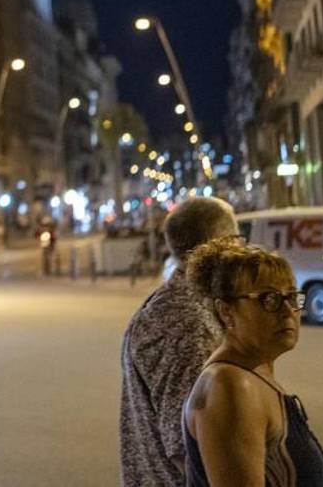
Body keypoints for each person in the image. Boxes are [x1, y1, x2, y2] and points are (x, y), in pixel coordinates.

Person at [183, 237, 323, 486]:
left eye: (292, 297)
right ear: (226, 311)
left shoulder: (252, 372)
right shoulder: (231, 385)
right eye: (269, 299)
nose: (288, 311)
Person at [119, 196, 238, 487]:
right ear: (221, 244)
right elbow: (188, 445)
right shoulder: (184, 322)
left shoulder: (184, 304)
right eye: (238, 239)